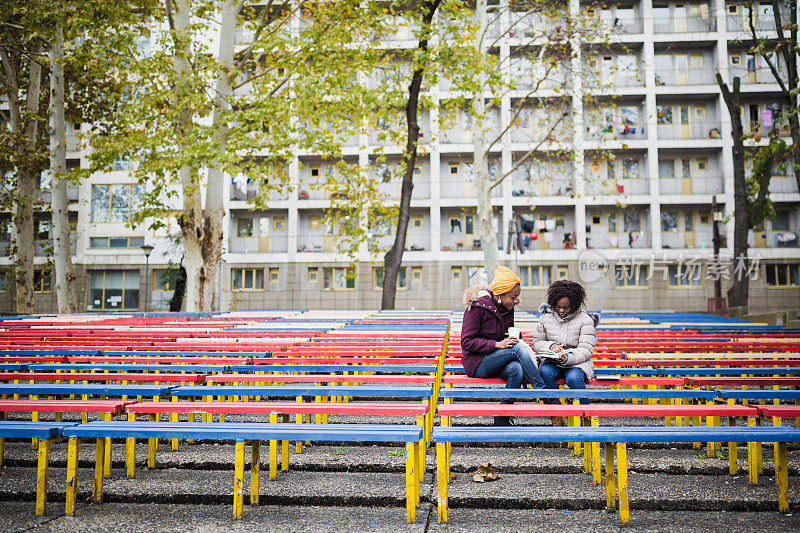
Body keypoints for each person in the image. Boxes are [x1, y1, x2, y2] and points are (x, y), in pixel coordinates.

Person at [461, 265, 546, 426]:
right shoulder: (477, 307)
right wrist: (497, 344)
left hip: (498, 360)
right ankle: (545, 395)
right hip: (477, 362)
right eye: (513, 297)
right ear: (500, 294)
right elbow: (467, 342)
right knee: (517, 349)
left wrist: (514, 337)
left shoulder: (507, 307)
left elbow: (506, 337)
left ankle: (502, 415)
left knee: (517, 369)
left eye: (517, 296)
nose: (516, 301)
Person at [533, 280, 597, 425]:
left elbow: (586, 349)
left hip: (577, 363)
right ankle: (555, 411)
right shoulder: (545, 318)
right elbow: (537, 343)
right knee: (544, 371)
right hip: (553, 361)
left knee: (574, 378)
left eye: (566, 308)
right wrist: (551, 346)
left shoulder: (585, 320)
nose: (561, 311)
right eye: (558, 307)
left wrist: (567, 357)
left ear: (574, 305)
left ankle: (585, 414)